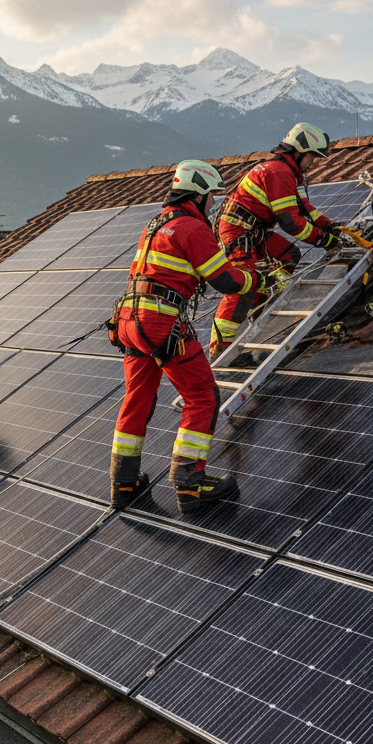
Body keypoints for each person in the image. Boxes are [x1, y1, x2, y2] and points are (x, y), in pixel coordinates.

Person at [109, 161, 262, 513]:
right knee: (202, 395)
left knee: (138, 397)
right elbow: (223, 280)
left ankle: (123, 483)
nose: (213, 205)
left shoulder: (155, 224)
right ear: (198, 193)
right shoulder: (191, 226)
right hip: (160, 320)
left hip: (129, 319)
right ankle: (190, 485)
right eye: (212, 198)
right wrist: (257, 281)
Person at [210, 122, 342, 360]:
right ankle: (222, 350)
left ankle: (258, 305)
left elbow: (304, 209)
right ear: (300, 151)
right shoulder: (279, 172)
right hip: (237, 230)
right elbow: (291, 222)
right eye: (312, 156)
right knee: (242, 284)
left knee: (289, 256)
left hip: (255, 230)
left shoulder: (288, 173)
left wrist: (330, 226)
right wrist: (324, 241)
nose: (313, 163)